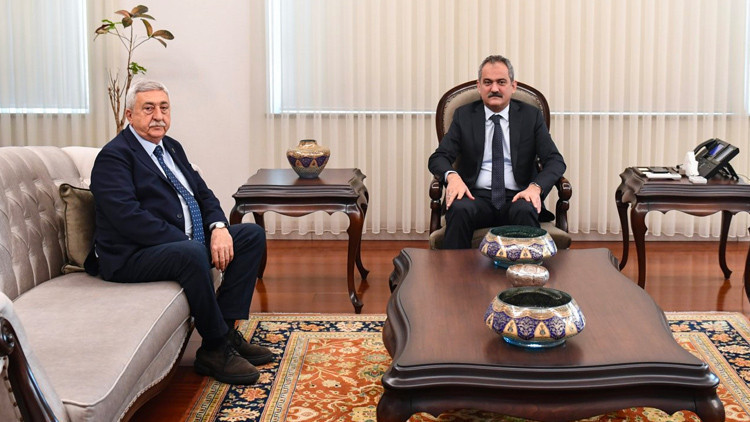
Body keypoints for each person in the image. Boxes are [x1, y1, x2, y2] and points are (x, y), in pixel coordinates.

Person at [85, 79, 270, 385]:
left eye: (164, 108)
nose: (158, 116)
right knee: (191, 251)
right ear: (130, 115)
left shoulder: (171, 147)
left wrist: (218, 228)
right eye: (148, 108)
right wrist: (189, 241)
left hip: (183, 244)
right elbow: (128, 218)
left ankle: (223, 335)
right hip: (131, 256)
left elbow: (203, 194)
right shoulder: (114, 157)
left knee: (250, 236)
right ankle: (214, 346)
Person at [428, 55, 566, 249]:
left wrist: (535, 187)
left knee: (525, 209)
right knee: (459, 208)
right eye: (488, 82)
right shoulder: (464, 116)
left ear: (513, 86)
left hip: (518, 197)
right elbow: (438, 157)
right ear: (479, 86)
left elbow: (555, 160)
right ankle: (455, 269)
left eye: (501, 82)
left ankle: (527, 268)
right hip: (475, 197)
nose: (494, 88)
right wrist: (452, 177)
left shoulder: (530, 116)